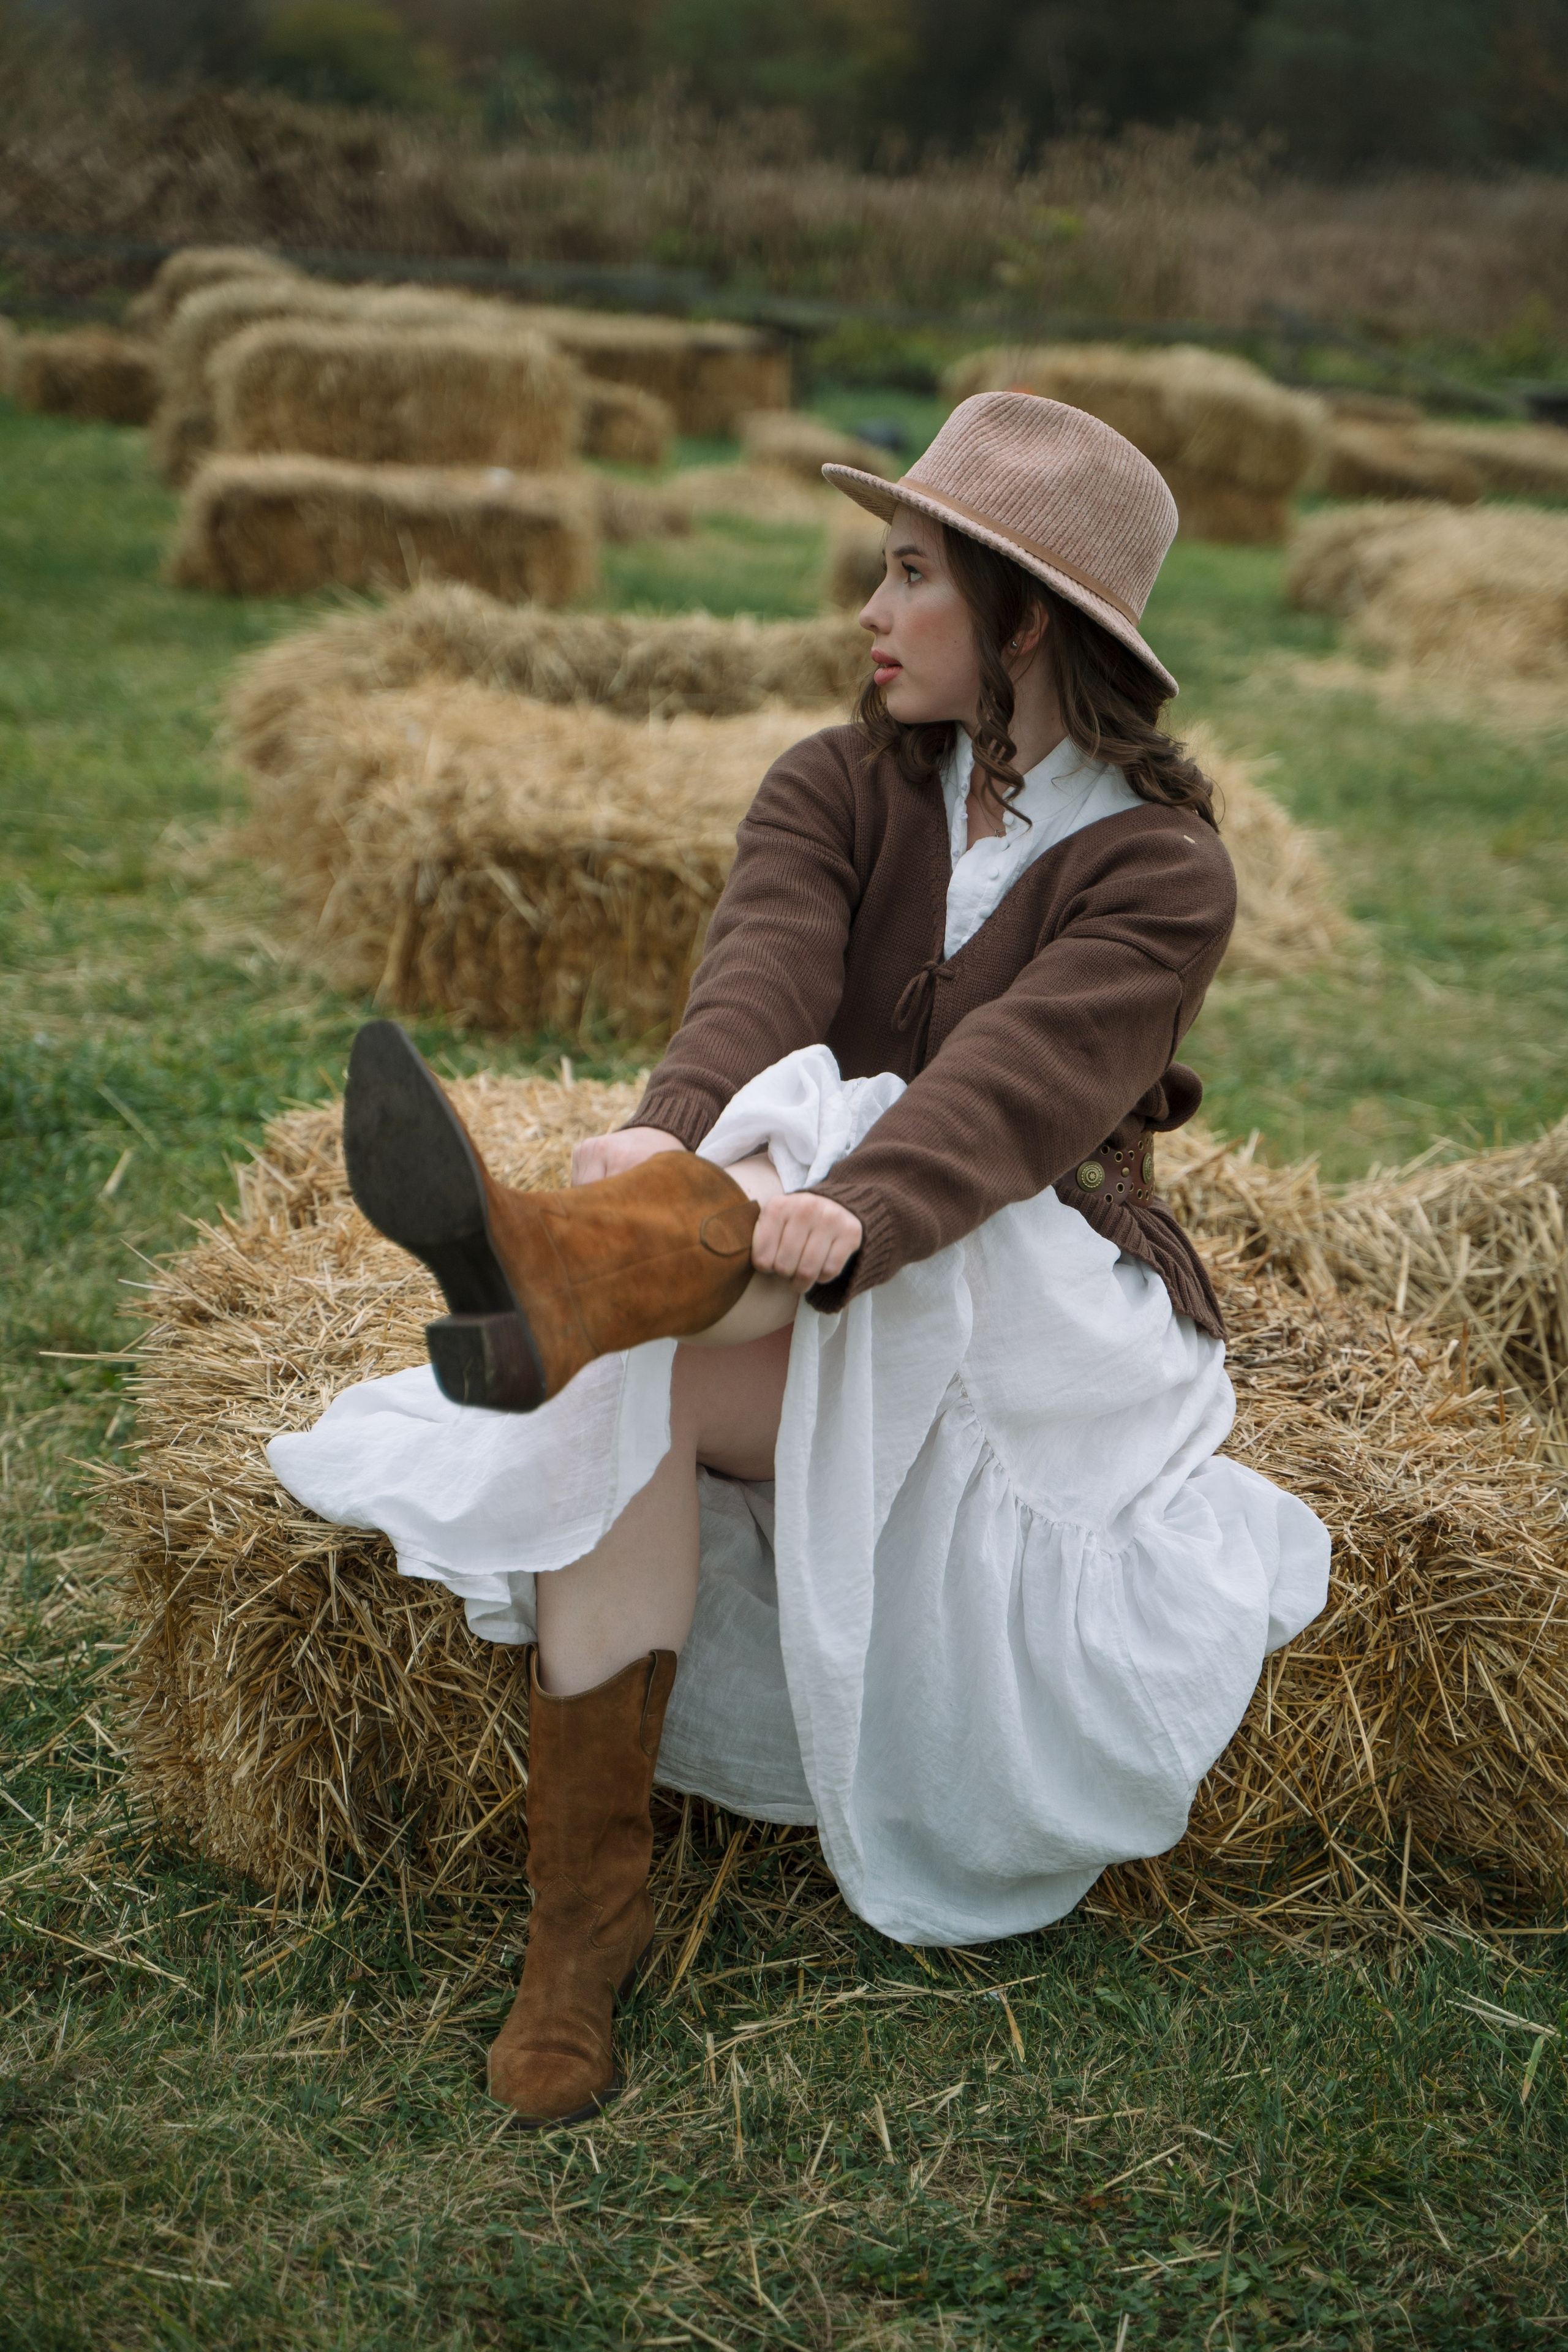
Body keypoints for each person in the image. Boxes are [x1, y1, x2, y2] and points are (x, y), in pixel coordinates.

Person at [270, 391, 1330, 2132]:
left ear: (1024, 622)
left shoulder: (1163, 868)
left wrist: (865, 1198)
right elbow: (756, 977)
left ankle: (580, 1261)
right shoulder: (837, 780)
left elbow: (1015, 1092)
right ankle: (577, 1941)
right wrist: (675, 1136)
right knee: (645, 1353)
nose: (869, 609)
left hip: (1026, 1290)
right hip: (776, 1249)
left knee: (816, 1150)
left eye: (911, 575)